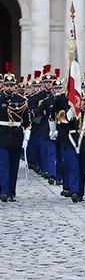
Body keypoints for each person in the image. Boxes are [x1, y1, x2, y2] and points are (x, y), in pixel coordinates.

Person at [0, 63, 29, 202]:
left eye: (11, 85)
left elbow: (27, 120)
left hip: (16, 135)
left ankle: (11, 191)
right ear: (3, 86)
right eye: (7, 85)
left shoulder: (21, 100)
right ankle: (4, 191)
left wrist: (26, 136)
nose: (9, 88)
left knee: (13, 165)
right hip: (2, 135)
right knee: (3, 164)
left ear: (15, 86)